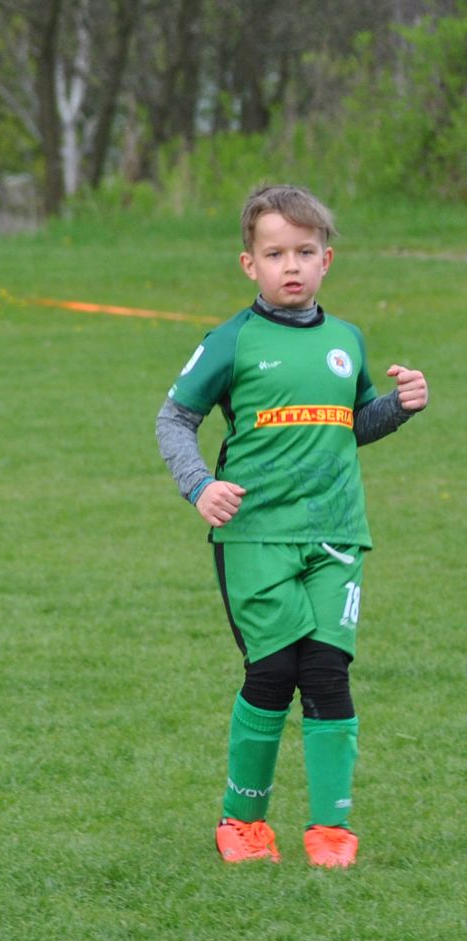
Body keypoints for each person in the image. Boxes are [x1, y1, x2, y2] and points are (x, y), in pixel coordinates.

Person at [154, 183, 427, 868]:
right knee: (274, 671)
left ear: (327, 258)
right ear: (250, 264)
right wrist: (200, 485)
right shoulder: (232, 341)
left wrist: (399, 406)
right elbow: (174, 420)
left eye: (305, 251)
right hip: (254, 534)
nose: (292, 266)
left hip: (337, 533)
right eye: (275, 253)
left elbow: (351, 424)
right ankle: (242, 821)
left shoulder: (345, 340)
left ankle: (330, 831)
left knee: (328, 673)